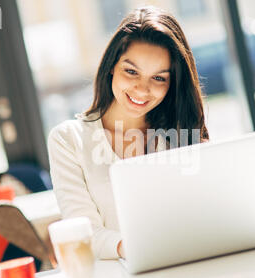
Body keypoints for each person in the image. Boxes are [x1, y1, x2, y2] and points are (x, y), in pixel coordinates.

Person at [48, 6, 209, 260]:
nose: (142, 89)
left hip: (186, 264)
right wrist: (141, 248)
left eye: (158, 78)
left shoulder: (178, 134)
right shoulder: (68, 140)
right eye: (131, 71)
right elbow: (83, 232)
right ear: (111, 66)